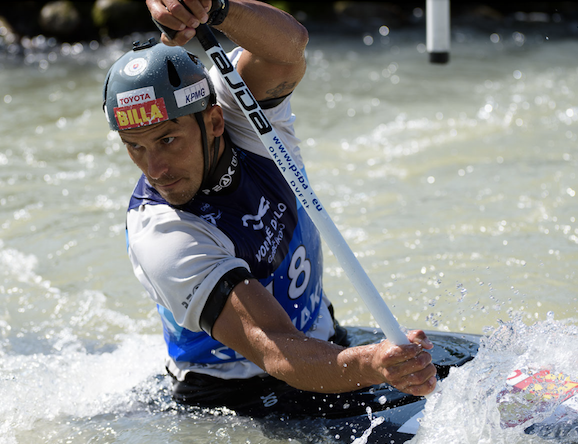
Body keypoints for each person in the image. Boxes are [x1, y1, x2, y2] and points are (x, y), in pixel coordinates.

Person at [111, 0, 435, 417]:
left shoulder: (241, 113)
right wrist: (374, 364)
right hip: (237, 397)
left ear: (213, 122)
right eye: (135, 147)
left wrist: (215, 7)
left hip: (327, 347)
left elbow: (288, 49)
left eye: (167, 140)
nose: (155, 169)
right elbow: (277, 348)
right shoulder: (162, 235)